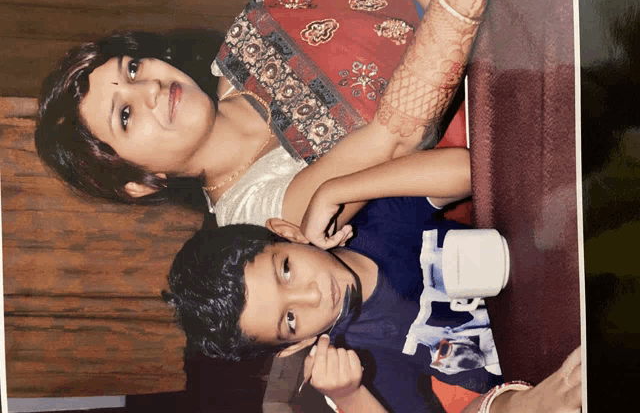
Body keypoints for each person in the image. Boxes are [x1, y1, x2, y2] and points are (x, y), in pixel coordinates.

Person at [34, 0, 526, 232]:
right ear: (141, 183)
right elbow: (399, 132)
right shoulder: (252, 215)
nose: (150, 90)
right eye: (125, 115)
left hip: (496, 12)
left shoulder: (253, 31)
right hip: (508, 139)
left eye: (133, 69)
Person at [163, 148, 582, 413]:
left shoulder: (373, 226)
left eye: (286, 269)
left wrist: (334, 191)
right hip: (541, 372)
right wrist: (349, 397)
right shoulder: (359, 360)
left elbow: (469, 169)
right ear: (295, 344)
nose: (311, 295)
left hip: (558, 256)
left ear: (288, 233)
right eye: (290, 320)